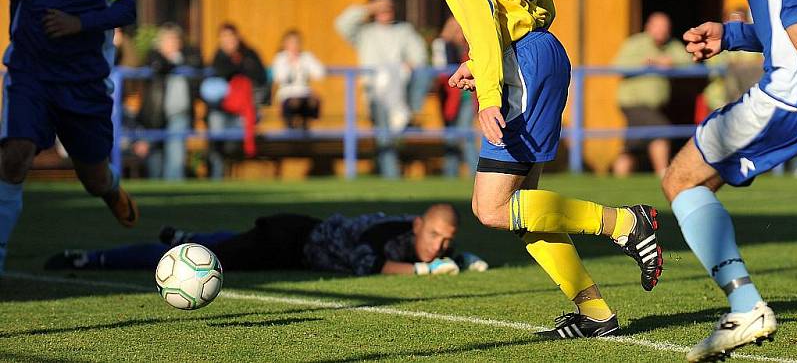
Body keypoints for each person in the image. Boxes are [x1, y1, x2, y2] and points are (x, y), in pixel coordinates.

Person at [395, 0, 663, 338]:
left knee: (490, 209)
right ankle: (595, 313)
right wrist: (495, 58)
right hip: (542, 49)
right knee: (523, 209)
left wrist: (491, 90)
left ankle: (627, 223)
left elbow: (478, 16)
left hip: (520, 63)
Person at [662, 0, 797, 359]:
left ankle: (745, 307)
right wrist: (734, 34)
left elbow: (795, 4)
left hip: (788, 93)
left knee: (683, 180)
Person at [0, 0, 139, 273]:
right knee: (14, 156)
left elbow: (126, 7)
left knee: (92, 177)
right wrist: (19, 41)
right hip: (30, 74)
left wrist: (80, 22)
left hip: (82, 82)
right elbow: (17, 0)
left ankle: (112, 190)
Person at [45, 203, 489, 277]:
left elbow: (447, 253)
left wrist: (462, 258)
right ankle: (93, 259)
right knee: (195, 259)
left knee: (223, 241)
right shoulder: (389, 235)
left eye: (447, 242)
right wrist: (424, 269)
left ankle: (185, 233)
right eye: (434, 236)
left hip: (298, 239)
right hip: (287, 239)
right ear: (416, 225)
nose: (439, 246)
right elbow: (367, 265)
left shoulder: (425, 238)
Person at [335, 0, 428, 178]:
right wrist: (367, 9)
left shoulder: (403, 31)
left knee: (391, 132)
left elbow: (419, 55)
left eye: (388, 8)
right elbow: (341, 24)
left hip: (401, 91)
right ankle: (390, 174)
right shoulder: (365, 33)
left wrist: (411, 63)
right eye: (381, 9)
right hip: (375, 91)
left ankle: (388, 171)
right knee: (384, 131)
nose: (385, 13)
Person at [612, 12, 690, 177]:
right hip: (634, 103)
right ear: (648, 27)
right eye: (658, 27)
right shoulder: (635, 43)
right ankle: (663, 174)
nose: (661, 31)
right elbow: (618, 65)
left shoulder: (672, 45)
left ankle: (617, 179)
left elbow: (689, 61)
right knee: (661, 129)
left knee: (631, 147)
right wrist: (648, 63)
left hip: (654, 106)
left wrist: (671, 63)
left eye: (665, 28)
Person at [138, 23, 203, 180]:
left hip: (178, 113)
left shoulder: (187, 56)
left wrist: (177, 61)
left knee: (175, 155)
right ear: (160, 43)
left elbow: (198, 62)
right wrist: (172, 64)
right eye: (168, 40)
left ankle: (174, 189)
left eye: (175, 40)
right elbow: (158, 66)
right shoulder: (153, 56)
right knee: (155, 160)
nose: (172, 43)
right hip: (154, 115)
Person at [206, 23, 268, 179]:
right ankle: (217, 176)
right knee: (217, 136)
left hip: (245, 109)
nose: (228, 41)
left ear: (237, 37)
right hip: (221, 109)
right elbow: (221, 73)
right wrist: (238, 68)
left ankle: (232, 176)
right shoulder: (218, 57)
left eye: (230, 36)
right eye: (224, 37)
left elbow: (260, 76)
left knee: (234, 143)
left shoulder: (250, 54)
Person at [432, 17, 478, 177]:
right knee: (451, 136)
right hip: (450, 97)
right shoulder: (444, 46)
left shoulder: (469, 47)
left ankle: (475, 172)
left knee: (466, 135)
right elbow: (442, 71)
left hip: (467, 98)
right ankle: (451, 173)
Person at [272, 29, 325, 130]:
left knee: (313, 101)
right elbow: (280, 77)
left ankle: (304, 128)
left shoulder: (306, 57)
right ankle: (292, 128)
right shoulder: (280, 58)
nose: (294, 45)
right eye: (291, 42)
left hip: (304, 94)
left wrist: (303, 64)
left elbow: (319, 73)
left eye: (297, 42)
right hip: (287, 95)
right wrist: (290, 63)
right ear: (285, 44)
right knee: (295, 103)